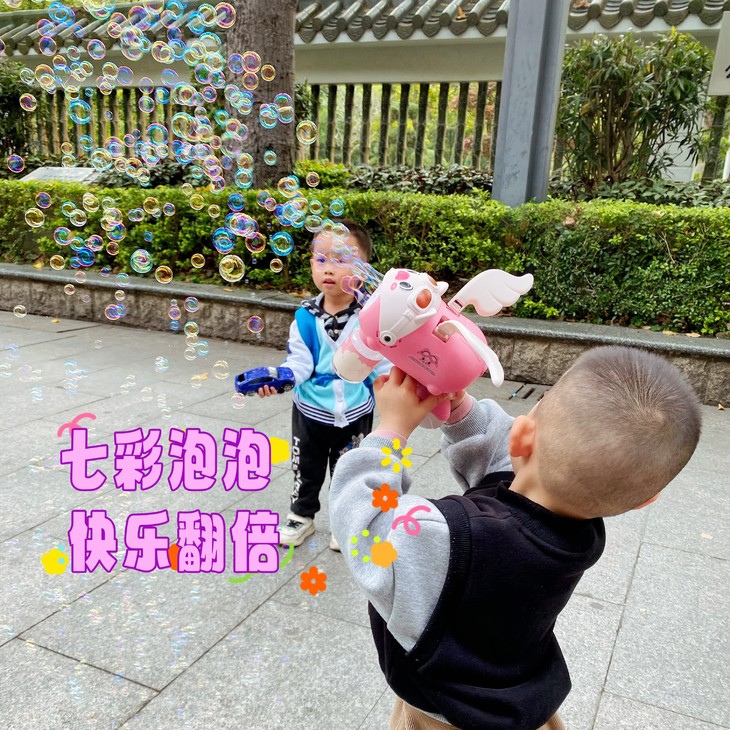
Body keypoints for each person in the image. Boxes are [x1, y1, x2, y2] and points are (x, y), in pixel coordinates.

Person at [330, 346, 702, 730]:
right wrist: (459, 411)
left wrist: (391, 431)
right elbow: (504, 459)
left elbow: (366, 524)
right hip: (524, 707)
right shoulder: (578, 530)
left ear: (523, 435)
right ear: (645, 501)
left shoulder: (449, 540)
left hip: (441, 715)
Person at [258, 220, 390, 550]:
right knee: (306, 467)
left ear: (364, 269)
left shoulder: (371, 317)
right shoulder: (305, 317)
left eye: (341, 259)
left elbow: (382, 362)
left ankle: (344, 522)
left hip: (356, 410)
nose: (328, 268)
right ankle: (301, 516)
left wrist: (392, 394)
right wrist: (281, 379)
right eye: (320, 259)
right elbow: (299, 363)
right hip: (311, 410)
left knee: (349, 471)